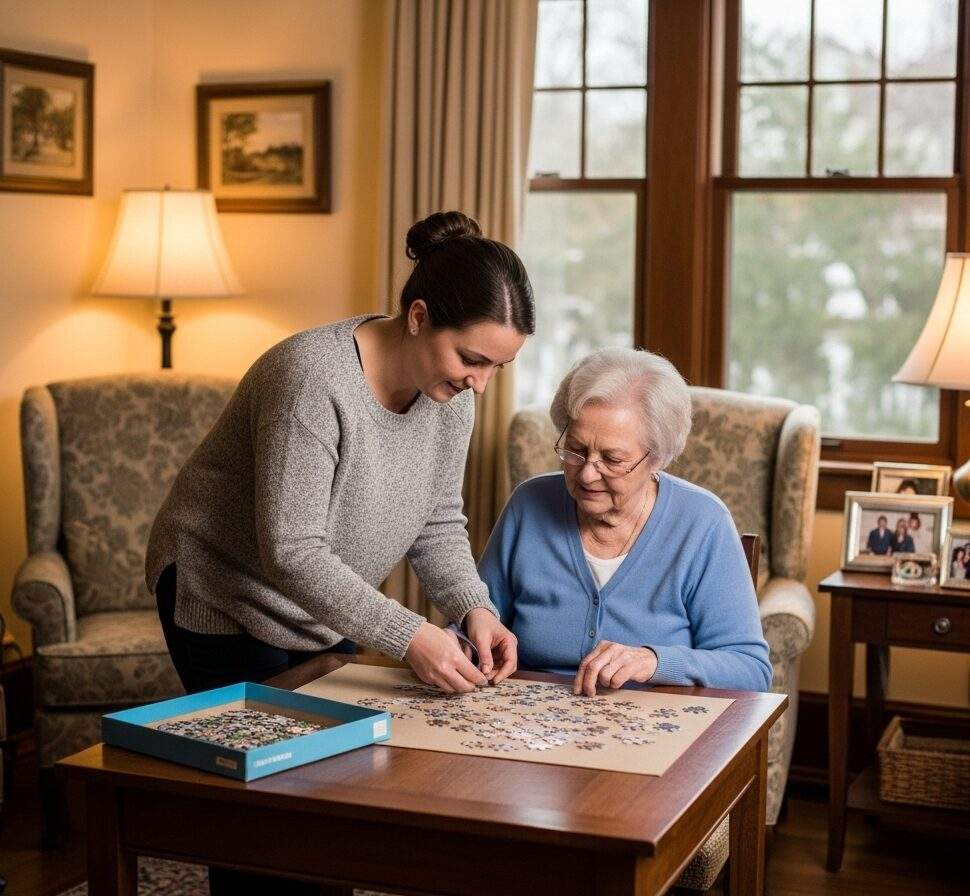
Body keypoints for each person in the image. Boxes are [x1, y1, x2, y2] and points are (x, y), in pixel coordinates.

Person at [147, 211, 533, 893]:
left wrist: (474, 607)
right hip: (223, 592)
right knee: (269, 818)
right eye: (472, 359)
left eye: (498, 367)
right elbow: (290, 551)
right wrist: (410, 633)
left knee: (334, 800)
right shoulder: (311, 379)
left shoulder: (453, 397)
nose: (480, 382)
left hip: (321, 607)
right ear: (418, 316)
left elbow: (437, 520)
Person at [474, 347, 772, 696]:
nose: (587, 474)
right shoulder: (528, 505)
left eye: (612, 459)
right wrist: (463, 641)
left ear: (657, 458)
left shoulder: (703, 524)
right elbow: (479, 621)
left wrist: (655, 661)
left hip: (656, 735)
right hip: (528, 728)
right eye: (576, 450)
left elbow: (750, 669)